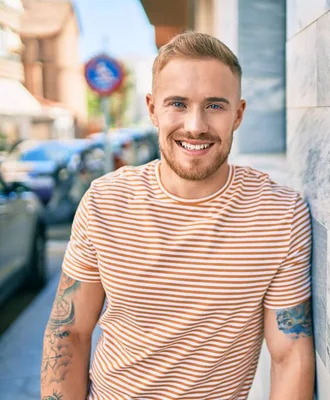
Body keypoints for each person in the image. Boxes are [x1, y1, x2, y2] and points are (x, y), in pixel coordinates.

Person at [40, 32, 314, 400]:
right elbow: (68, 332)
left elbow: (289, 354)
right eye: (178, 104)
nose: (196, 125)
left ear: (239, 114)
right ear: (153, 109)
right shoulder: (106, 202)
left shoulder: (279, 215)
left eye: (215, 105)